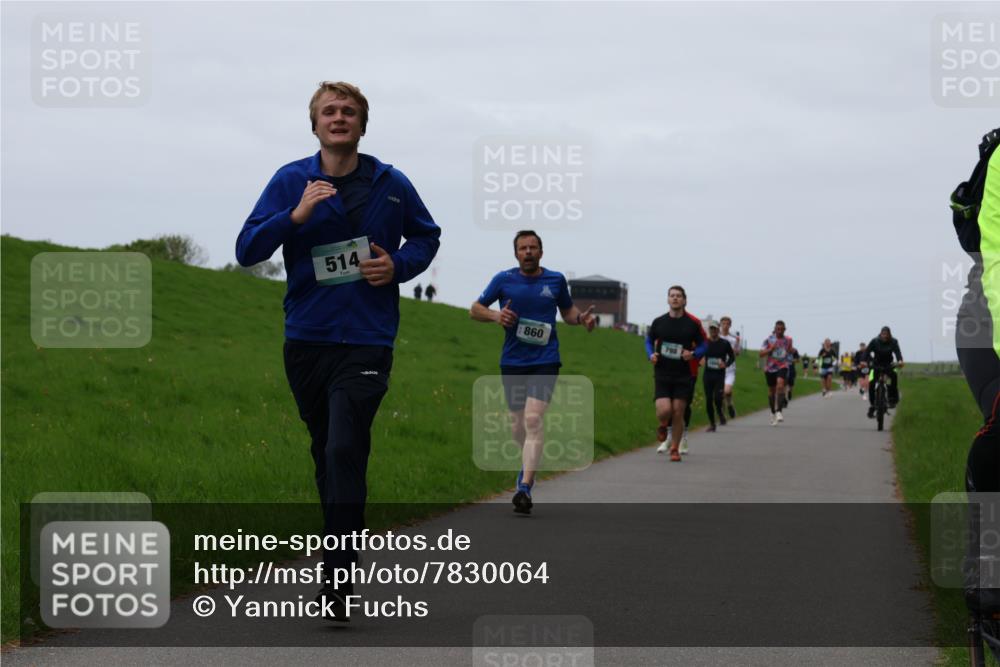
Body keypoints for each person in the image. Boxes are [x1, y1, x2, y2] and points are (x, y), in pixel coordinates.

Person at [236, 81, 441, 621]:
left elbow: (427, 236)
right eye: (329, 110)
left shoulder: (392, 184)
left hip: (368, 340)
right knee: (326, 451)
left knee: (343, 447)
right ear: (315, 124)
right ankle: (342, 539)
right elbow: (247, 249)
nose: (339, 117)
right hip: (307, 340)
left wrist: (397, 266)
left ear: (362, 124)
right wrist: (295, 216)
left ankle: (336, 576)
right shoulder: (291, 180)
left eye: (349, 111)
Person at [471, 230, 595, 514]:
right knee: (517, 427)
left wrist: (581, 319)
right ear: (516, 253)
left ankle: (525, 487)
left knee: (533, 419)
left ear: (541, 251)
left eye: (533, 247)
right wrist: (495, 315)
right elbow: (475, 309)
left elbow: (568, 313)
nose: (528, 251)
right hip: (513, 362)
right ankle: (527, 465)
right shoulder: (503, 280)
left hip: (545, 360)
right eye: (522, 248)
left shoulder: (555, 280)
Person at [646, 286, 707, 461]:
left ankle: (674, 448)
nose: (675, 299)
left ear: (684, 300)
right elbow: (649, 341)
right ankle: (663, 424)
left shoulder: (692, 324)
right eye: (672, 296)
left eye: (678, 296)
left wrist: (694, 354)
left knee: (678, 411)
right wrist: (651, 354)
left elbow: (704, 345)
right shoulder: (659, 322)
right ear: (667, 299)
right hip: (663, 372)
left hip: (683, 374)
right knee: (665, 410)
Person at [702, 321, 736, 432]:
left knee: (717, 398)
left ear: (718, 330)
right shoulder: (705, 343)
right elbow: (698, 354)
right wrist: (699, 361)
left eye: (715, 329)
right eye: (711, 329)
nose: (713, 331)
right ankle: (712, 424)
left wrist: (725, 364)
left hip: (719, 375)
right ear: (709, 330)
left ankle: (720, 412)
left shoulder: (724, 343)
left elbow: (732, 357)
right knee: (708, 400)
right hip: (707, 375)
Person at [759, 321, 794, 426]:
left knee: (780, 384)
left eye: (781, 329)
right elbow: (761, 354)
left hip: (782, 366)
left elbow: (789, 350)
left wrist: (791, 352)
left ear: (784, 329)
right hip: (770, 368)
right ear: (774, 329)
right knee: (771, 391)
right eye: (777, 329)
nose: (779, 331)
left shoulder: (788, 340)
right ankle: (772, 412)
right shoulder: (768, 339)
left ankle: (779, 411)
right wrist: (770, 349)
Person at [865, 326, 904, 418]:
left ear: (889, 334)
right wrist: (864, 361)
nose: (884, 336)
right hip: (875, 365)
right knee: (871, 382)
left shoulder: (894, 342)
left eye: (886, 334)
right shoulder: (874, 341)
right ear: (880, 334)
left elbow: (897, 352)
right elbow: (867, 352)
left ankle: (892, 398)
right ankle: (873, 404)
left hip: (889, 365)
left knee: (894, 376)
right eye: (883, 334)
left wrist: (900, 361)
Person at [719, 316, 741, 418]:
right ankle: (722, 414)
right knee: (720, 393)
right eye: (723, 323)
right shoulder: (716, 337)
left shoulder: (733, 339)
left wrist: (736, 346)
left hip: (730, 369)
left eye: (727, 324)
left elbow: (737, 353)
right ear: (720, 325)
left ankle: (729, 404)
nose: (725, 326)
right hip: (718, 369)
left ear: (730, 325)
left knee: (727, 391)